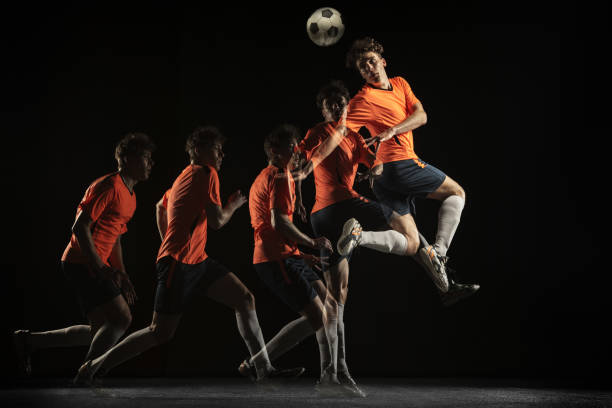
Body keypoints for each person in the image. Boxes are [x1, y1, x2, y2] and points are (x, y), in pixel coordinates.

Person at [74, 126, 297, 383]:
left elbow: (160, 206)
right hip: (179, 264)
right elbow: (217, 221)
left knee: (245, 299)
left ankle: (261, 368)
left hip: (197, 260)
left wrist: (168, 241)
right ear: (198, 150)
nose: (222, 155)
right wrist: (233, 206)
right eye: (217, 149)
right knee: (159, 332)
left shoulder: (183, 176)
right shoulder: (206, 172)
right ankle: (94, 365)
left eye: (222, 150)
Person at [339, 37, 479, 305]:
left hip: (382, 181)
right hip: (399, 164)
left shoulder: (400, 84)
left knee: (412, 244)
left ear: (382, 61)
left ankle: (360, 237)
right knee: (456, 192)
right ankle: (439, 252)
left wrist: (391, 130)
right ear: (361, 73)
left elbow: (421, 116)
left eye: (371, 61)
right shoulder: (363, 99)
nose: (368, 67)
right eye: (362, 67)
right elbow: (342, 136)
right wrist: (358, 160)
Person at [13, 133, 155, 379]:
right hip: (82, 262)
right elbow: (79, 227)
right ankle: (87, 373)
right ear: (127, 159)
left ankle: (29, 342)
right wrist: (100, 266)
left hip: (92, 264)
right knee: (121, 318)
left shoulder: (130, 196)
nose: (150, 164)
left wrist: (121, 272)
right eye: (145, 157)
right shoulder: (108, 186)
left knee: (99, 330)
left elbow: (116, 238)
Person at [293, 80, 391, 396]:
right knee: (393, 217)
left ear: (348, 105)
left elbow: (375, 165)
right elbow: (300, 163)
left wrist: (370, 173)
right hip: (331, 210)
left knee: (339, 297)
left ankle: (335, 372)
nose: (337, 107)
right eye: (331, 103)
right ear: (323, 109)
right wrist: (296, 198)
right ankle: (360, 236)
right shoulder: (318, 132)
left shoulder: (354, 136)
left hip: (345, 214)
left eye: (341, 102)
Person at [244, 124, 358, 393]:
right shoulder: (279, 176)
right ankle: (257, 362)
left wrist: (300, 254)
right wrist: (311, 242)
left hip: (287, 255)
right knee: (318, 316)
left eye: (298, 146)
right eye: (291, 147)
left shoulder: (278, 175)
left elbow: (276, 224)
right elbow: (279, 222)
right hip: (275, 257)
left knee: (328, 308)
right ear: (274, 150)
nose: (297, 151)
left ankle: (328, 376)